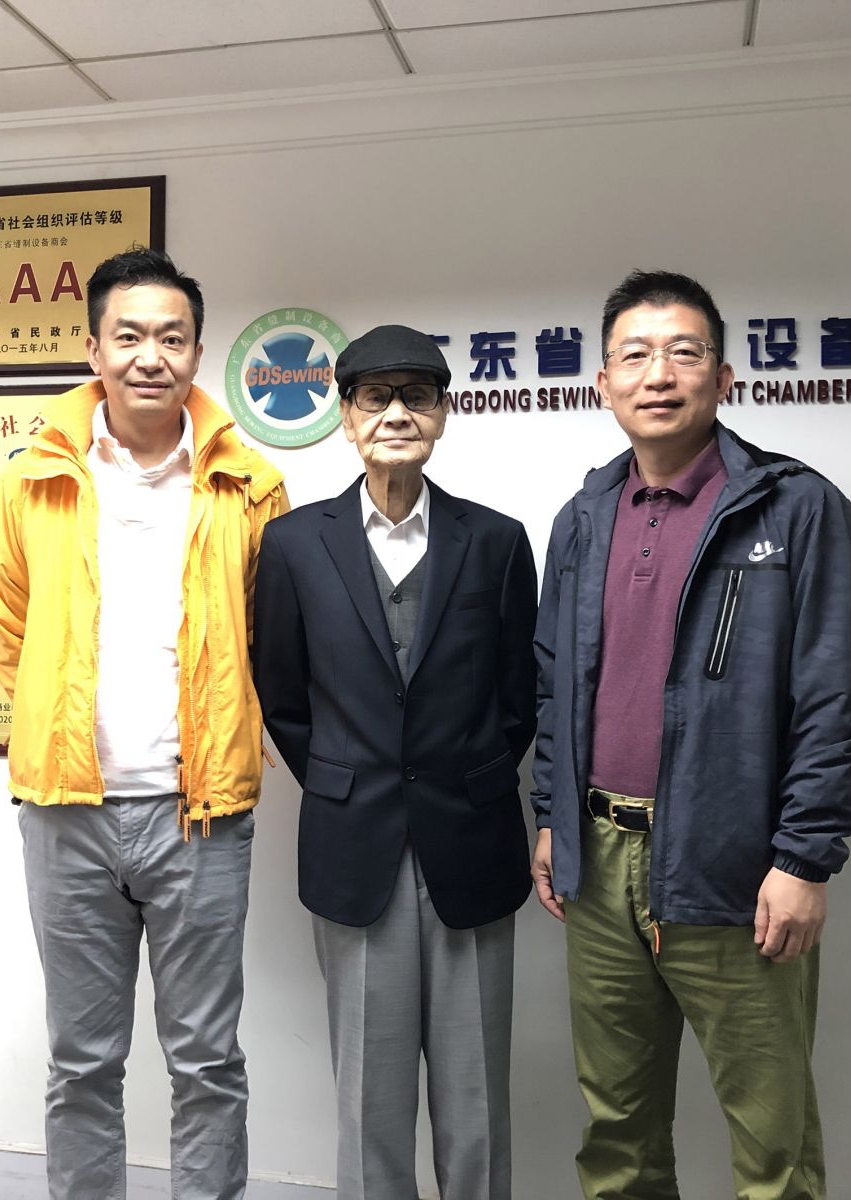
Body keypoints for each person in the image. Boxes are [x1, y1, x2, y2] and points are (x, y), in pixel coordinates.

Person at [530, 270, 851, 1200]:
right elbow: (555, 684)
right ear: (603, 383)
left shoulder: (795, 508)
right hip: (598, 861)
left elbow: (834, 699)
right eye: (635, 355)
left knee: (772, 1144)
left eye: (684, 353)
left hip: (735, 866)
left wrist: (803, 859)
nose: (659, 374)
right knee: (618, 1134)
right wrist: (552, 814)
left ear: (723, 378)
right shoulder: (582, 518)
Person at [0, 246, 288, 1200]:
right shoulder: (31, 480)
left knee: (207, 1060)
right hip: (66, 812)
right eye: (130, 337)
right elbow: (10, 629)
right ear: (94, 350)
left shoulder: (250, 484)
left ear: (196, 351)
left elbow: (272, 637)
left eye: (172, 338)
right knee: (82, 1063)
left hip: (202, 817)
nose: (150, 356)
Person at [252, 325, 537, 1200]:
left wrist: (468, 775)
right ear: (346, 417)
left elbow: (519, 695)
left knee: (476, 1098)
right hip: (355, 843)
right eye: (376, 397)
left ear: (444, 413)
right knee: (368, 1101)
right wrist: (344, 779)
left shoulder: (497, 541)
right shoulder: (295, 545)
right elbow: (283, 696)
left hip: (472, 841)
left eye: (418, 395)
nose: (397, 413)